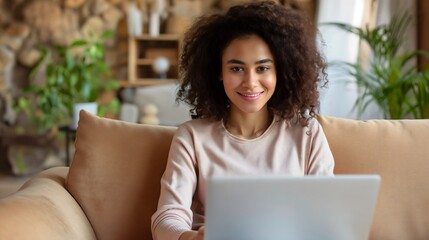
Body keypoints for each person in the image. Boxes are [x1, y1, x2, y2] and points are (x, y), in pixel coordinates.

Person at [151, 1, 335, 239]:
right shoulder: (192, 137)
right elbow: (167, 217)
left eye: (262, 68)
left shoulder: (307, 133)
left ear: (281, 71)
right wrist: (193, 238)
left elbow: (326, 215)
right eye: (237, 69)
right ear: (219, 72)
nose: (250, 82)